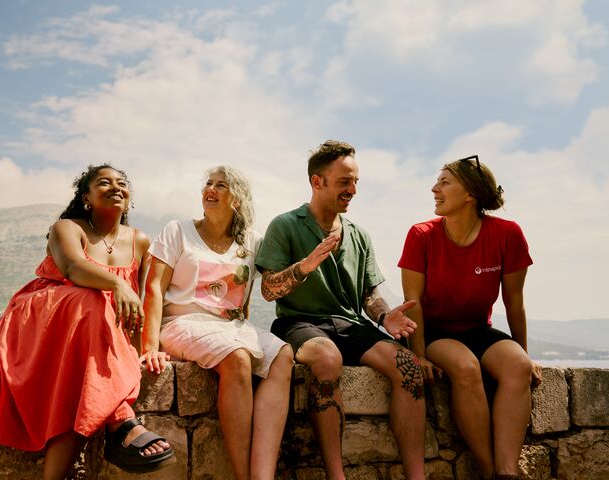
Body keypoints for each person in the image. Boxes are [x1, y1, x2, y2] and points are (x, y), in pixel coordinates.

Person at [0, 164, 175, 480]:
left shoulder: (140, 242)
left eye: (122, 183)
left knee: (79, 385)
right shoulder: (68, 228)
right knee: (95, 299)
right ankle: (121, 419)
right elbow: (72, 268)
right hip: (44, 318)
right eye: (104, 182)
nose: (115, 187)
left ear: (130, 197)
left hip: (95, 331)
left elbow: (142, 303)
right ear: (86, 197)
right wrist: (118, 284)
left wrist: (145, 350)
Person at [255, 140, 426, 480]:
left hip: (349, 323)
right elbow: (269, 289)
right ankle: (337, 475)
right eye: (345, 181)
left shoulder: (359, 235)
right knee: (327, 359)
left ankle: (417, 475)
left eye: (356, 182)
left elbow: (368, 294)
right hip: (299, 322)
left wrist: (383, 316)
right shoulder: (285, 225)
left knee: (408, 366)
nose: (353, 190)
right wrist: (305, 266)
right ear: (317, 182)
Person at [143, 165, 294, 480]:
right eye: (208, 184)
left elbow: (257, 292)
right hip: (182, 322)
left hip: (232, 328)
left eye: (220, 185)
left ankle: (262, 474)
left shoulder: (253, 242)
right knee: (237, 358)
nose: (210, 189)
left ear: (236, 199)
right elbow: (154, 287)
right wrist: (149, 344)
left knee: (283, 356)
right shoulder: (178, 231)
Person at [399, 155, 542, 480]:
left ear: (470, 194)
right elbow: (413, 303)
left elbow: (514, 302)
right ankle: (489, 470)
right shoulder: (421, 235)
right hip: (434, 331)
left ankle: (508, 472)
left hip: (479, 329)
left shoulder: (508, 234)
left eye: (444, 182)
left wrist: (524, 351)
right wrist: (418, 355)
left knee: (518, 367)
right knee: (465, 367)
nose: (434, 188)